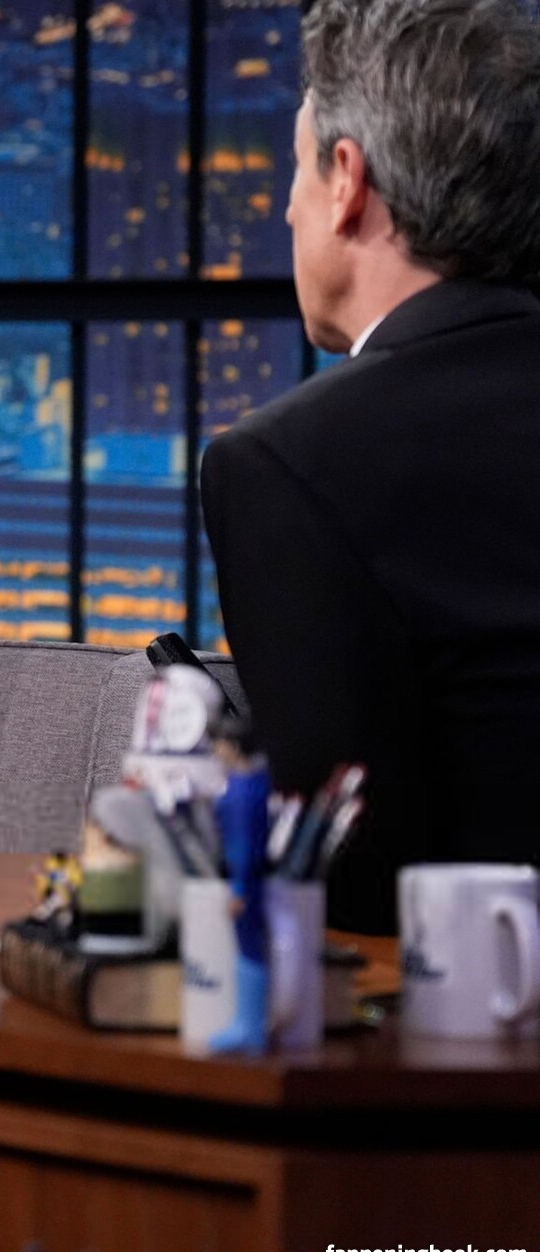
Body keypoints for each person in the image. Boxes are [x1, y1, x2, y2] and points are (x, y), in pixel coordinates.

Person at [200, 0, 540, 934]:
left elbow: (341, 879)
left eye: (297, 167)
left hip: (465, 1002)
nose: (287, 207)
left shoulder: (287, 464)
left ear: (348, 180)